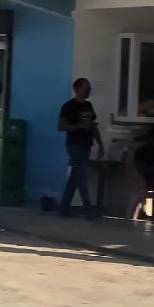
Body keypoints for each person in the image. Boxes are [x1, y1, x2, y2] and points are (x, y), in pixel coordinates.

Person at [57, 78, 102, 217]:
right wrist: (81, 126)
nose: (89, 91)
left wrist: (100, 144)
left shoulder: (88, 106)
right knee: (82, 177)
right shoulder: (68, 106)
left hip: (86, 144)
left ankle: (64, 208)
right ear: (77, 89)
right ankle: (88, 210)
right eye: (86, 88)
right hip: (74, 144)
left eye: (89, 88)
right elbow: (61, 126)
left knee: (75, 177)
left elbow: (93, 127)